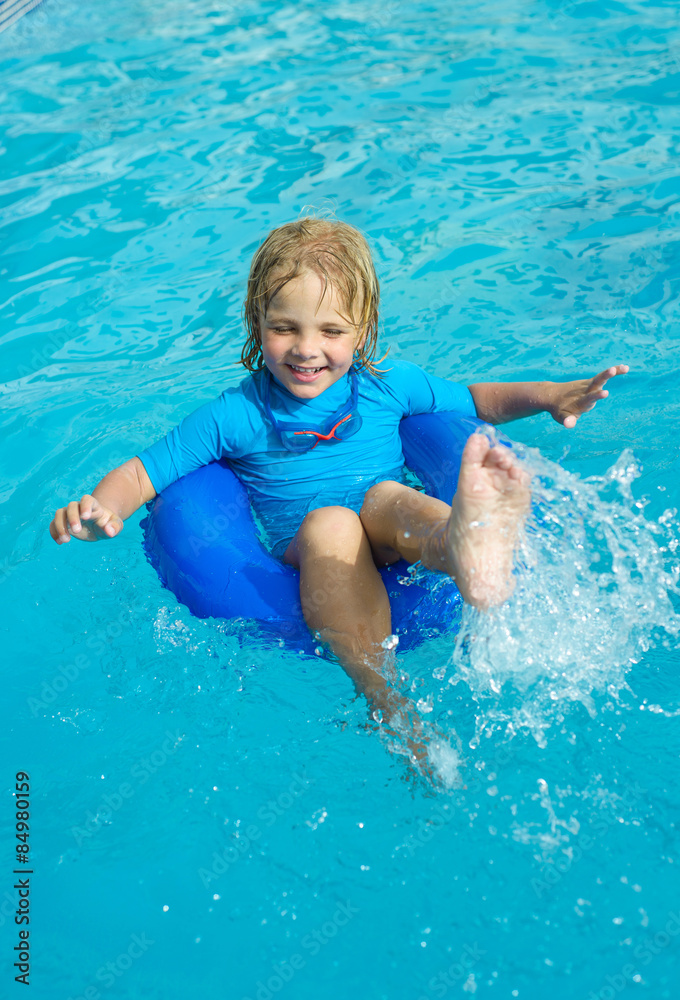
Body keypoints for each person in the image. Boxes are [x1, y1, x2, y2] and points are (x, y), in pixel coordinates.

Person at [49, 218, 627, 770]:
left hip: (387, 530)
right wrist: (104, 508)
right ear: (256, 321)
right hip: (312, 551)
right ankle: (386, 698)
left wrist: (553, 394)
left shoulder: (388, 386)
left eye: (331, 331)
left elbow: (474, 400)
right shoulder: (237, 414)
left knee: (388, 501)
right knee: (334, 521)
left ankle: (468, 553)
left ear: (363, 328)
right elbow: (144, 472)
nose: (306, 349)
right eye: (284, 328)